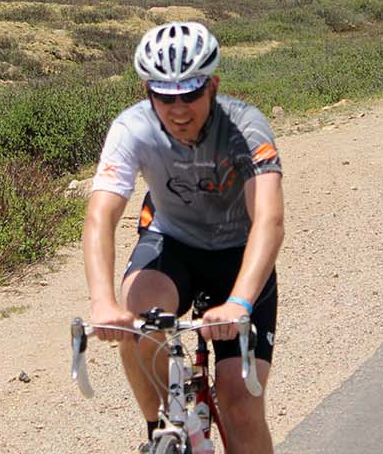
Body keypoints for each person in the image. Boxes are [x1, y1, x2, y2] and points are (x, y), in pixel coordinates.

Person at [85, 22, 283, 453]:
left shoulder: (245, 127)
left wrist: (240, 303)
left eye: (191, 92)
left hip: (238, 254)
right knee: (139, 317)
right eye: (163, 95)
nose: (178, 109)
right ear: (146, 92)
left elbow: (268, 220)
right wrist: (102, 301)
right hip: (171, 244)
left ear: (213, 84)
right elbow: (101, 214)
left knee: (240, 403)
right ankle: (160, 429)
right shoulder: (132, 128)